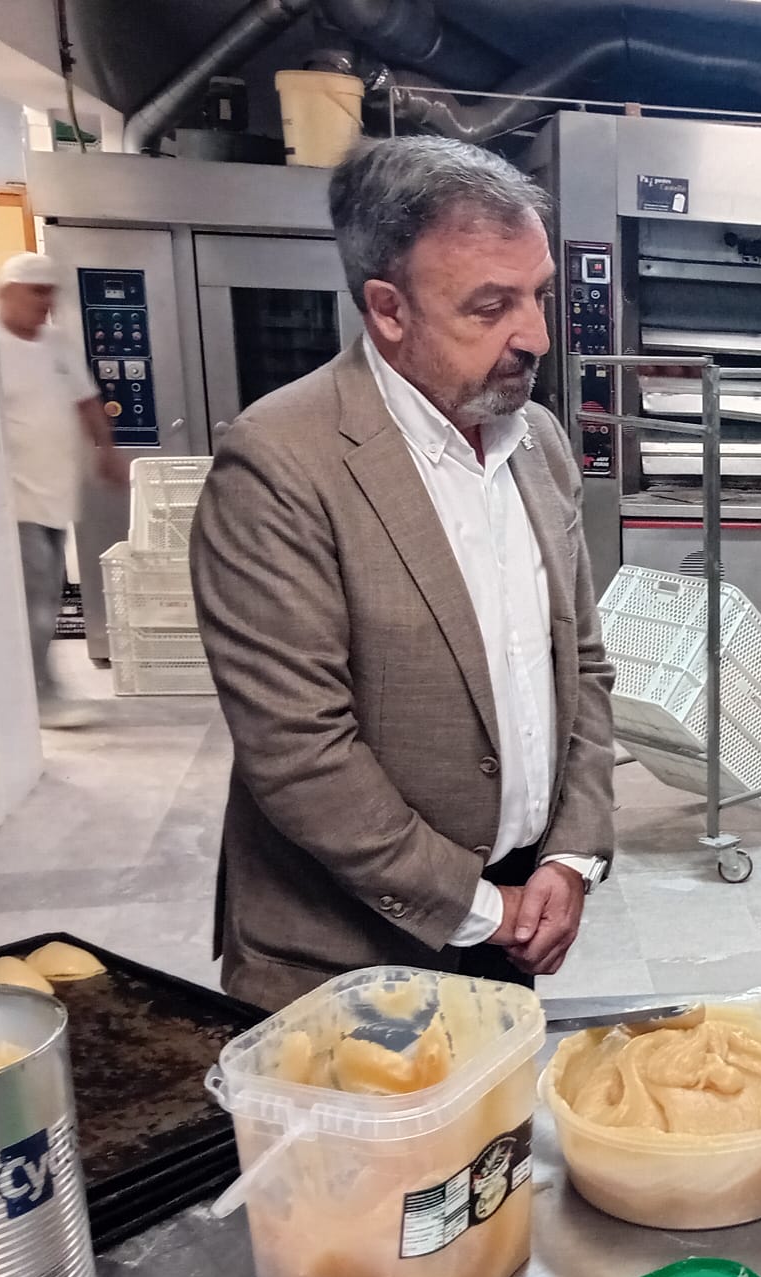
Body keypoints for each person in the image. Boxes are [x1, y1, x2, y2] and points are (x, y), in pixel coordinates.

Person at [191, 135, 616, 1011]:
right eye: (490, 306)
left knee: (499, 1109)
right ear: (388, 309)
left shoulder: (537, 443)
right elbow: (301, 752)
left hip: (515, 920)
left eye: (538, 295)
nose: (535, 336)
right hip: (342, 958)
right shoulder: (281, 463)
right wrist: (476, 907)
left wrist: (571, 856)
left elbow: (584, 668)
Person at [0, 252, 128, 707]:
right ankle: (38, 694)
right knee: (37, 599)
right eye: (36, 292)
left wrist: (107, 451)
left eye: (50, 293)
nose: (45, 302)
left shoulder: (56, 343)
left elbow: (87, 400)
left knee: (46, 595)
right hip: (11, 499)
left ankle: (35, 689)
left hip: (55, 494)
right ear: (6, 293)